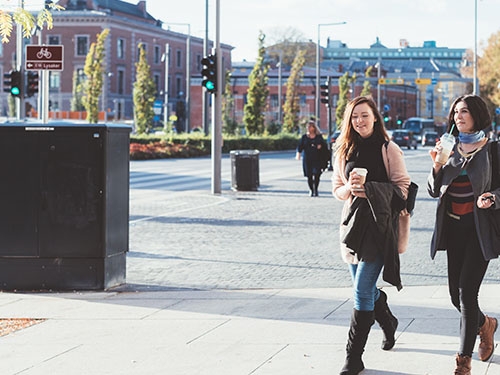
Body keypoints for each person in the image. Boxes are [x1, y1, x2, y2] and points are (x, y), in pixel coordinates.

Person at [332, 96, 410, 375]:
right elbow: (337, 189)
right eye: (355, 117)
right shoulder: (342, 150)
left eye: (365, 115)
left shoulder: (389, 149)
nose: (360, 121)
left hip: (380, 228)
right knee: (364, 291)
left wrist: (373, 190)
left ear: (375, 117)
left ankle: (354, 358)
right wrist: (350, 191)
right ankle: (387, 321)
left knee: (361, 291)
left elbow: (403, 188)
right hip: (353, 227)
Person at [428, 94, 498, 375]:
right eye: (456, 112)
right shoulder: (449, 147)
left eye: (464, 111)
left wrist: (492, 197)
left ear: (477, 115)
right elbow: (434, 190)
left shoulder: (493, 150)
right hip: (453, 229)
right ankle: (486, 324)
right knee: (455, 298)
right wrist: (436, 165)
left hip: (480, 232)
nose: (458, 116)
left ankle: (463, 362)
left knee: (467, 293)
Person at [296, 120, 329, 196]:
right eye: (308, 127)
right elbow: (300, 146)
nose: (308, 128)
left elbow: (324, 146)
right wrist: (298, 154)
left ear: (314, 128)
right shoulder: (304, 137)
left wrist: (320, 147)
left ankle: (316, 189)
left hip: (317, 159)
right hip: (307, 159)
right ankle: (311, 190)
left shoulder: (318, 137)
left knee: (317, 174)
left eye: (310, 126)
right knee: (309, 175)